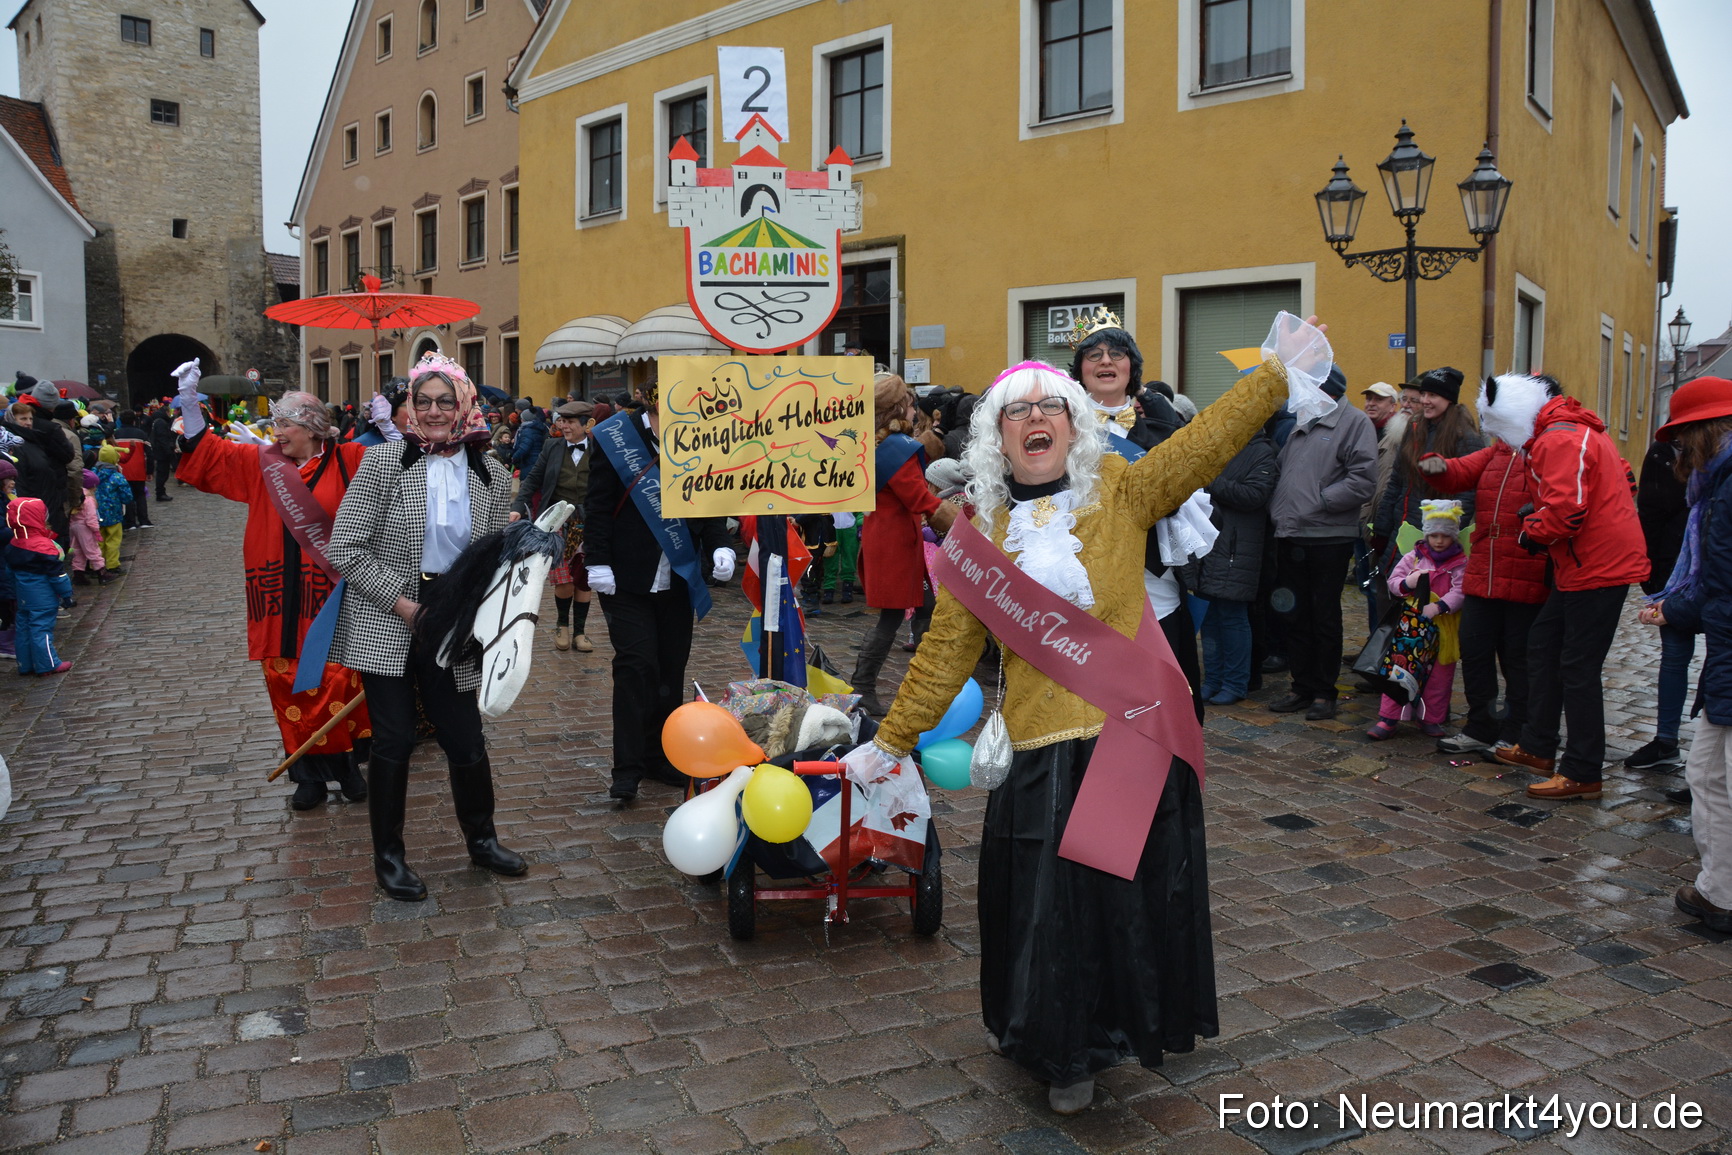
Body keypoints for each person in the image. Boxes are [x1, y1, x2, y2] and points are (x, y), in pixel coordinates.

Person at [844, 317, 1332, 1115]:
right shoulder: (981, 532)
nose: (1035, 420)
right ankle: (1055, 1044)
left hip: (1128, 734)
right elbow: (943, 651)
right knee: (1051, 913)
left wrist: (1276, 374)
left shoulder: (1122, 491)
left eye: (1051, 408)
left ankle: (1096, 1043)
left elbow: (1206, 441)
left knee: (1114, 906)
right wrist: (891, 740)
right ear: (996, 435)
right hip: (1039, 748)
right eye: (1017, 411)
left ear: (1073, 423)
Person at [329, 353, 524, 900]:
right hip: (387, 612)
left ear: (464, 404)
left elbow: (489, 555)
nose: (434, 411)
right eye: (423, 401)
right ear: (409, 408)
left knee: (463, 734)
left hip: (454, 613)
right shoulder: (384, 462)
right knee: (393, 739)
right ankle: (388, 858)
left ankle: (482, 842)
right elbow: (345, 545)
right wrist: (407, 605)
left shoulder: (489, 469)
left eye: (445, 401)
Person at [175, 362, 373, 811]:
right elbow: (206, 453)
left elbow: (400, 476)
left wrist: (392, 427)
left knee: (334, 678)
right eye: (276, 424)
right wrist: (190, 404)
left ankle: (344, 767)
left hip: (331, 595)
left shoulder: (351, 460)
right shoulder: (261, 464)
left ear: (313, 429)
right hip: (278, 598)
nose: (275, 432)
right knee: (285, 680)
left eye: (284, 424)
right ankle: (308, 778)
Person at [1480, 374, 1649, 799]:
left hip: (1596, 567)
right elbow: (1624, 481)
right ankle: (1539, 746)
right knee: (1544, 645)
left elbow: (1565, 513)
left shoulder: (1560, 438)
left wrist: (1530, 530)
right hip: (1584, 564)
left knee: (1577, 669)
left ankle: (1583, 770)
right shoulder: (1570, 431)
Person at [584, 379, 736, 802]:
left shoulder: (702, 438)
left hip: (677, 578)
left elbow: (707, 505)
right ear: (652, 405)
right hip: (624, 577)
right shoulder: (617, 437)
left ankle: (659, 755)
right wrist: (596, 560)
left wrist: (720, 544)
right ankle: (626, 768)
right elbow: (596, 504)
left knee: (670, 669)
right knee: (635, 665)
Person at [1070, 317, 1210, 718]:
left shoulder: (1164, 431)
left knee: (1164, 693)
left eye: (1116, 353)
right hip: (1087, 573)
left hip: (1153, 582)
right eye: (1093, 355)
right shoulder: (1063, 432)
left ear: (1132, 367)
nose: (1105, 361)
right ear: (1080, 369)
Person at [1636, 378, 1732, 930]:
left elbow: (1723, 584)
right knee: (1707, 772)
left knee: (1718, 775)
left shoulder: (1726, 488)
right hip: (1724, 648)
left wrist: (1676, 610)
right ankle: (1717, 889)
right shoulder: (1716, 487)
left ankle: (1722, 894)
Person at [1414, 380, 1551, 757]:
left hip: (1525, 571)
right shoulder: (1498, 451)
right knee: (1474, 652)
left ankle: (1514, 729)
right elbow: (1459, 472)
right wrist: (1438, 468)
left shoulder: (1545, 449)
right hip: (1484, 572)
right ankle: (1480, 725)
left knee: (1516, 660)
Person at [1267, 366, 1379, 720]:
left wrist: (1319, 501)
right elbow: (1287, 471)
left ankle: (1324, 692)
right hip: (1291, 534)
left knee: (1324, 617)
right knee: (1295, 615)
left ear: (1325, 391)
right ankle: (1301, 686)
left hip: (1328, 537)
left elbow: (1363, 480)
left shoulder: (1354, 423)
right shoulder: (1303, 422)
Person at [851, 372, 956, 715]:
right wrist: (962, 524)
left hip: (891, 539)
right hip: (894, 544)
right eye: (911, 405)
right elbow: (919, 499)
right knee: (892, 617)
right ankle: (863, 687)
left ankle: (928, 682)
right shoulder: (897, 449)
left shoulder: (881, 445)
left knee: (925, 606)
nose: (915, 411)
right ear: (899, 408)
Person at [1187, 428, 1279, 705]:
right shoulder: (1218, 445)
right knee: (1209, 618)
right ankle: (1213, 679)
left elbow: (1254, 495)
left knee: (1232, 617)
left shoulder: (1263, 452)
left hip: (1238, 546)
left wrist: (1211, 480)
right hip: (1209, 542)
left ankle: (1235, 683)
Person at [1366, 500, 1468, 740]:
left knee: (1439, 676)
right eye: (1434, 535)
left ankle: (1430, 717)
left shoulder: (1460, 562)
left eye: (1445, 535)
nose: (1439, 541)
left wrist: (1441, 606)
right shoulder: (1414, 557)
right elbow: (1393, 581)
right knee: (1399, 669)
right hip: (1410, 626)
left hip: (1443, 627)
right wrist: (1407, 583)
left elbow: (1461, 590)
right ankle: (1389, 717)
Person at [1373, 366, 1486, 562]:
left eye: (1432, 395)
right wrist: (1382, 529)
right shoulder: (1414, 429)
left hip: (1436, 540)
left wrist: (1444, 536)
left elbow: (1467, 496)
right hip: (1401, 531)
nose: (1425, 400)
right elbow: (1396, 482)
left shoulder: (1465, 438)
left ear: (1449, 398)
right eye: (1423, 394)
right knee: (1392, 587)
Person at [513, 399, 597, 652]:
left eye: (570, 422)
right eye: (562, 421)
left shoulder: (601, 449)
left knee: (584, 579)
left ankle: (580, 632)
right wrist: (517, 507)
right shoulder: (552, 447)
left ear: (587, 425)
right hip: (558, 522)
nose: (564, 426)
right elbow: (533, 479)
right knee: (563, 580)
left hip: (590, 522)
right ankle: (562, 625)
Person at [1631, 433, 1693, 772]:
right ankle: (1667, 741)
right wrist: (1653, 576)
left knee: (1719, 664)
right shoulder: (1661, 453)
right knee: (1674, 657)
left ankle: (1711, 765)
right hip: (1673, 571)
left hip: (1709, 576)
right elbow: (1650, 514)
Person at [6, 497, 73, 675]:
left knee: (23, 629)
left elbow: (9, 573)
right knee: (41, 629)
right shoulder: (44, 546)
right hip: (43, 597)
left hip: (23, 596)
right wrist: (67, 595)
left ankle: (25, 664)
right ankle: (48, 664)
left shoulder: (13, 544)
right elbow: (58, 576)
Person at [93, 445, 131, 574]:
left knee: (98, 540)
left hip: (95, 513)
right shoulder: (116, 477)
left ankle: (97, 565)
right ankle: (112, 565)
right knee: (113, 540)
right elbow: (127, 496)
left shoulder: (92, 474)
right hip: (113, 513)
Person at [113, 410, 154, 528]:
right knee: (140, 495)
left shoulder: (116, 435)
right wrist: (149, 471)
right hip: (138, 470)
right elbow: (150, 454)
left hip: (122, 470)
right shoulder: (141, 434)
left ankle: (130, 522)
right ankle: (144, 520)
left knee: (126, 496)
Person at [67, 470, 104, 584]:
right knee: (93, 549)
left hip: (74, 526)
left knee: (78, 551)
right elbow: (91, 518)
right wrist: (96, 531)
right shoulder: (89, 500)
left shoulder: (75, 498)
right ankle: (102, 573)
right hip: (85, 527)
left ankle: (78, 575)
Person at [149, 402, 177, 503]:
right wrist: (168, 451)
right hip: (162, 453)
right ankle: (160, 493)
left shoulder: (156, 421)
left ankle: (161, 492)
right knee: (162, 473)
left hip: (159, 451)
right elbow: (162, 438)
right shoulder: (161, 422)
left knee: (162, 473)